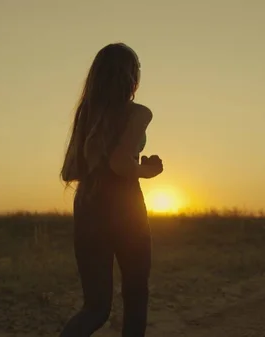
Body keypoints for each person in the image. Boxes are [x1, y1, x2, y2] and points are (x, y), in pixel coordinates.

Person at [59, 42, 164, 337]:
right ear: (132, 76)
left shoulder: (86, 114)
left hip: (88, 207)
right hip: (126, 209)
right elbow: (120, 163)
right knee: (135, 295)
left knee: (95, 308)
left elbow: (70, 170)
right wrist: (146, 170)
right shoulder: (138, 113)